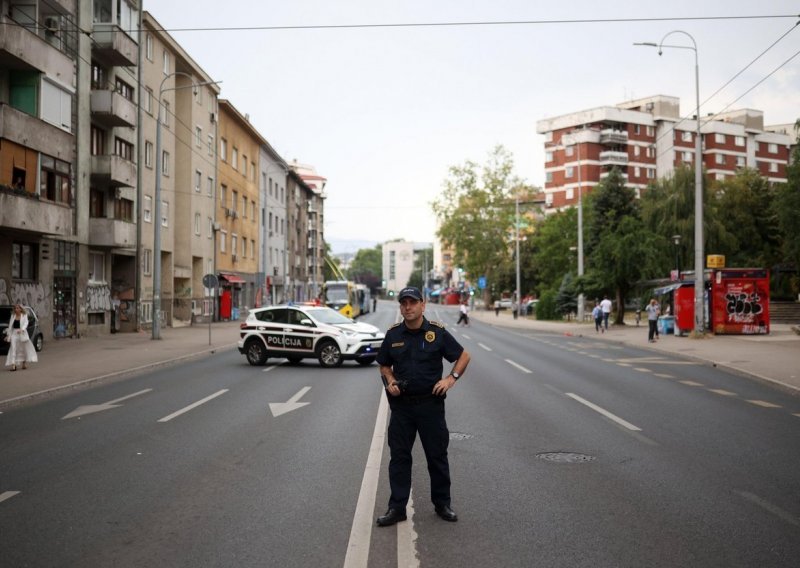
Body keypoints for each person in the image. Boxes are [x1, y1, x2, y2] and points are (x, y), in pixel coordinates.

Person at [375, 286, 471, 527]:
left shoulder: (436, 333)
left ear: (422, 305)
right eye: (404, 303)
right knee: (399, 458)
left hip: (430, 406)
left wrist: (451, 379)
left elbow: (463, 356)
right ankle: (397, 507)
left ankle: (442, 504)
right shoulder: (394, 335)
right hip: (402, 408)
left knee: (437, 457)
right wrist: (391, 381)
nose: (408, 307)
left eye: (412, 302)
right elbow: (384, 364)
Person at [5, 304, 38, 371]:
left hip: (22, 334)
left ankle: (24, 363)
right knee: (13, 348)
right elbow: (10, 326)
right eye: (15, 308)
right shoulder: (13, 316)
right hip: (14, 334)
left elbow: (26, 323)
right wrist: (8, 335)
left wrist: (22, 329)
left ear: (20, 309)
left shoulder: (24, 315)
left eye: (17, 308)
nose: (16, 309)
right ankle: (13, 365)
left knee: (23, 349)